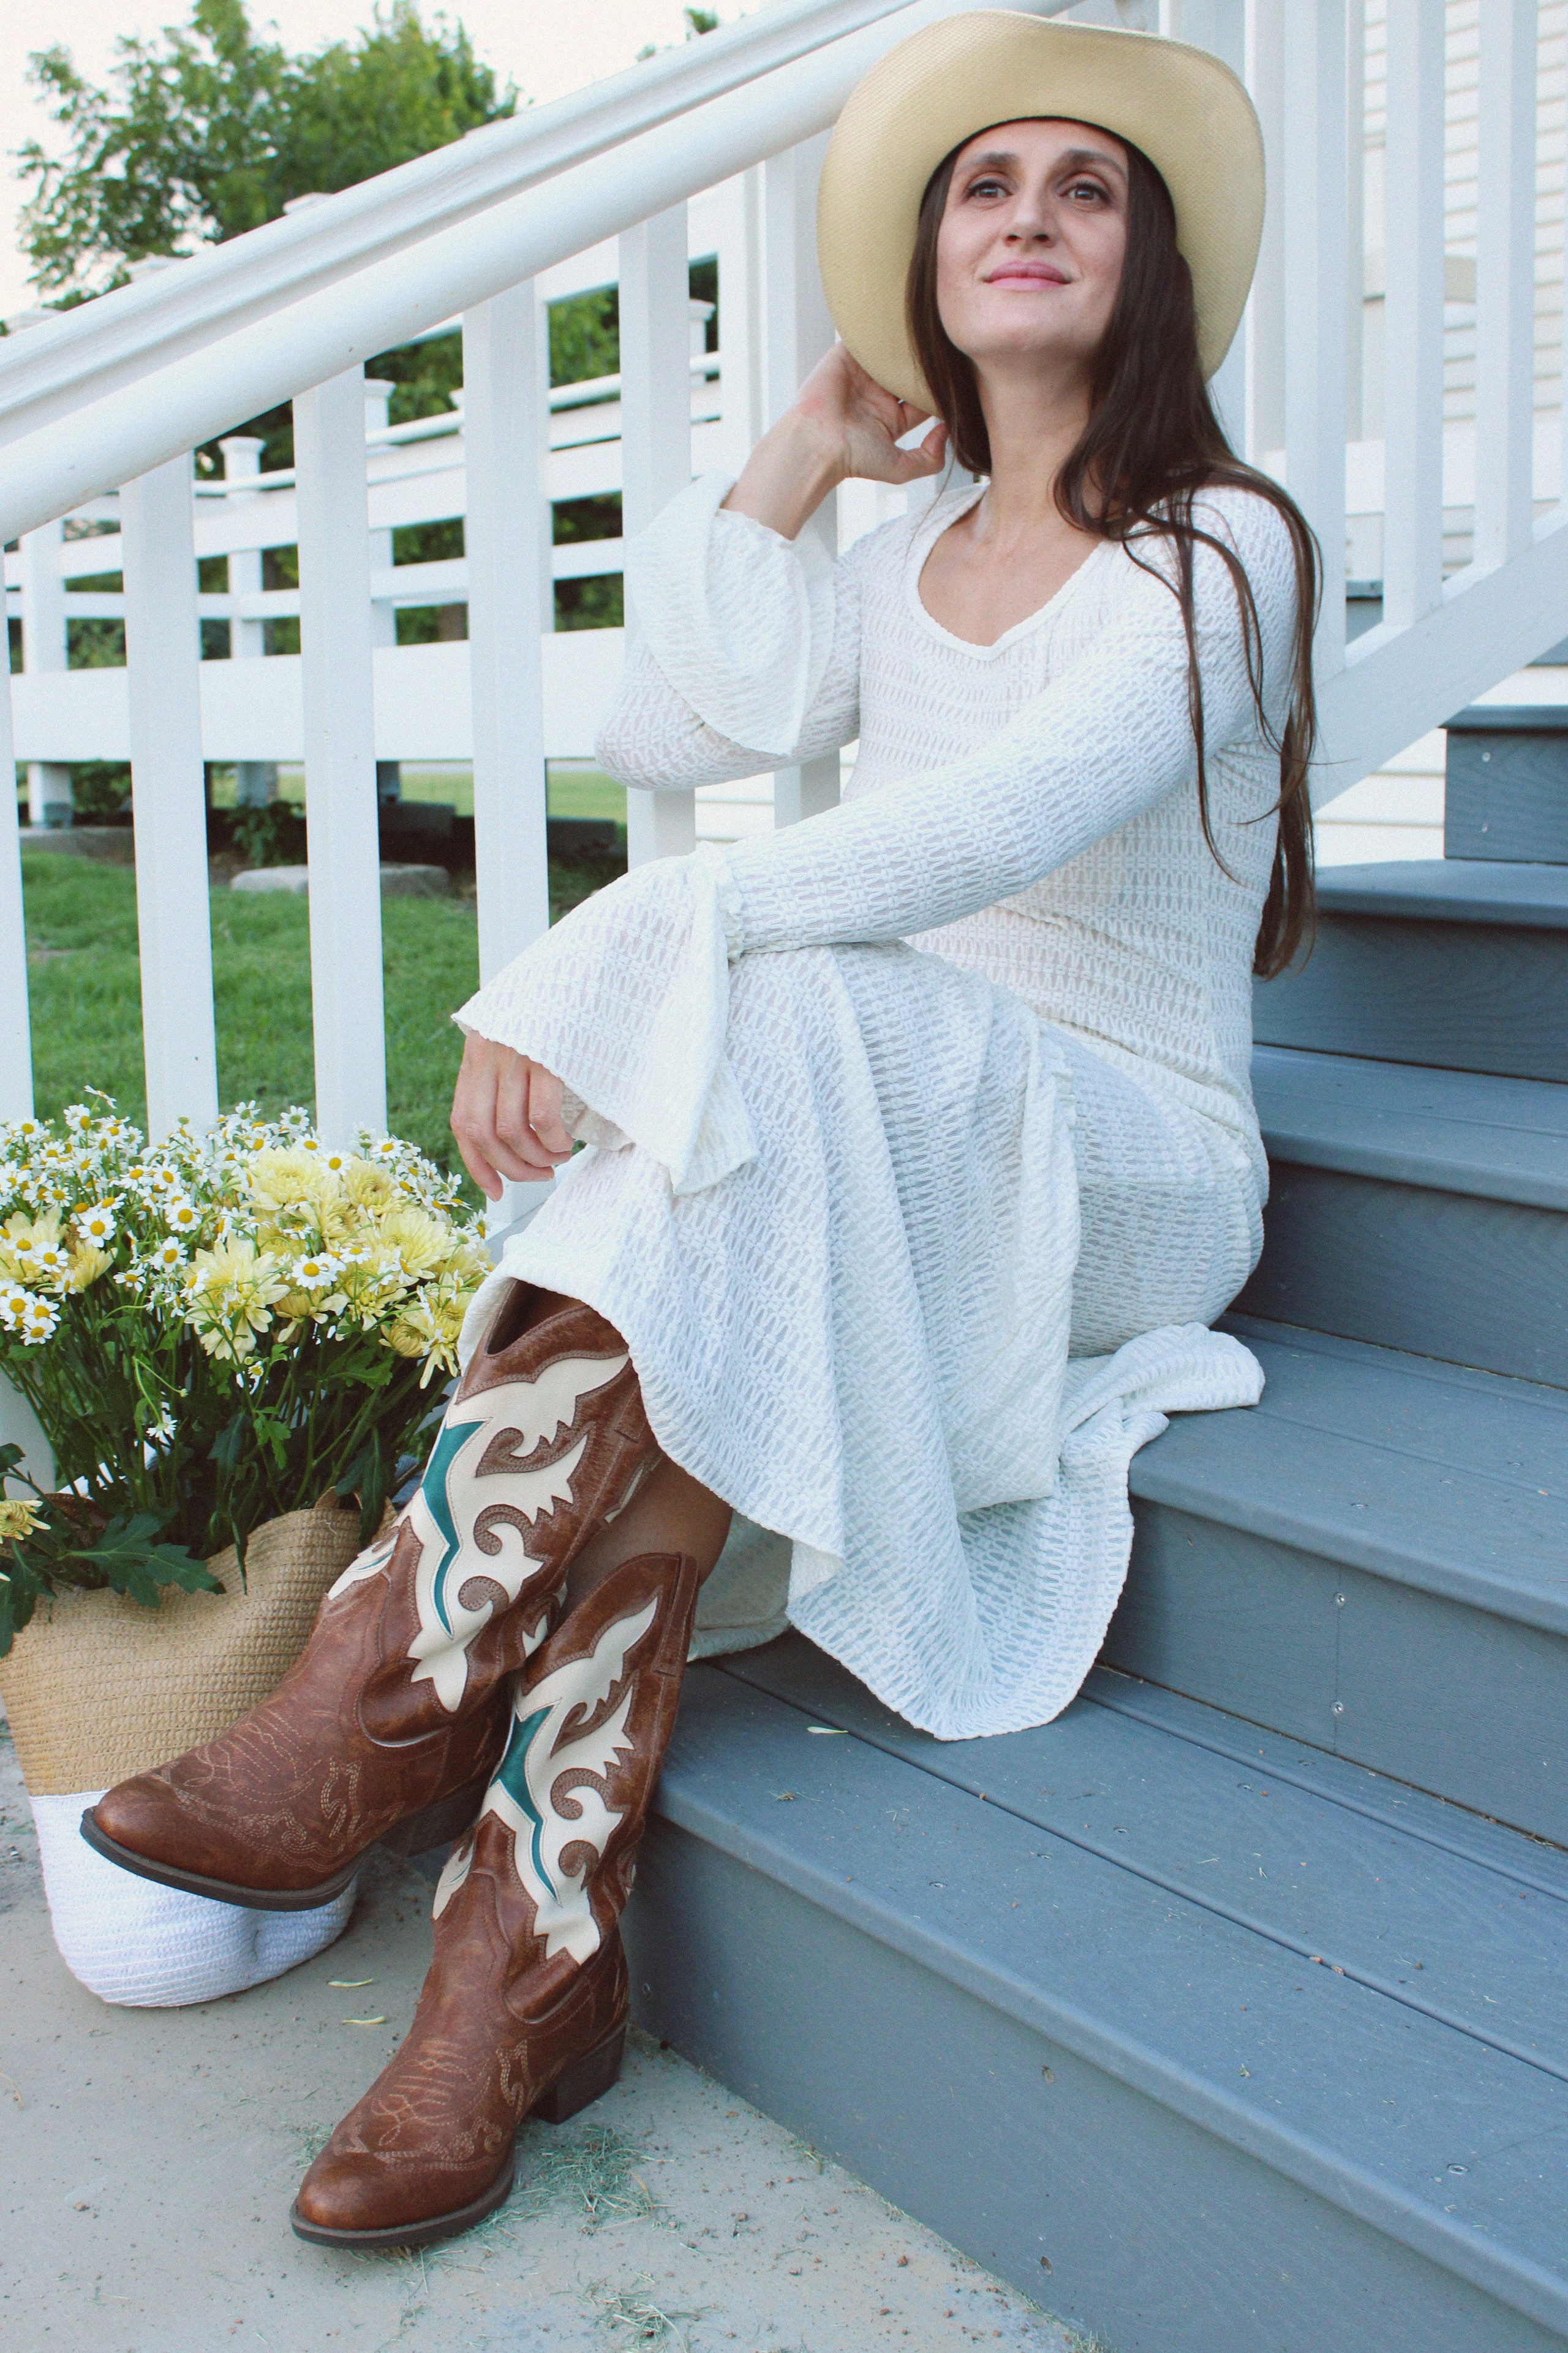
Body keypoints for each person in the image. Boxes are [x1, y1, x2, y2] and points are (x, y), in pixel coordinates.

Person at [83, 10, 1318, 2253]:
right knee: (762, 1156)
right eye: (984, 186)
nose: (1028, 214)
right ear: (931, 264)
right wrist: (794, 462)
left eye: (1087, 187)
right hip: (901, 1111)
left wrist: (604, 962)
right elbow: (659, 714)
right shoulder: (907, 553)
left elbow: (978, 842)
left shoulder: (1217, 554)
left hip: (1129, 1166)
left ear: (1143, 268)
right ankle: (520, 1968)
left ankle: (383, 1693)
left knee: (795, 1030)